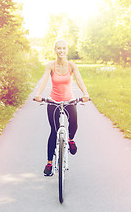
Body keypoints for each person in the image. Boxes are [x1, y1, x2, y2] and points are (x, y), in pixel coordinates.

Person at [34, 39, 89, 176]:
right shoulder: (50, 66)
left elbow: (79, 79)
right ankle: (49, 163)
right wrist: (38, 94)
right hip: (53, 101)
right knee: (54, 131)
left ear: (67, 50)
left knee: (74, 125)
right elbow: (44, 79)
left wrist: (85, 93)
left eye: (64, 48)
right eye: (59, 48)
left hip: (69, 100)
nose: (61, 51)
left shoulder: (72, 66)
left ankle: (70, 140)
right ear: (55, 50)